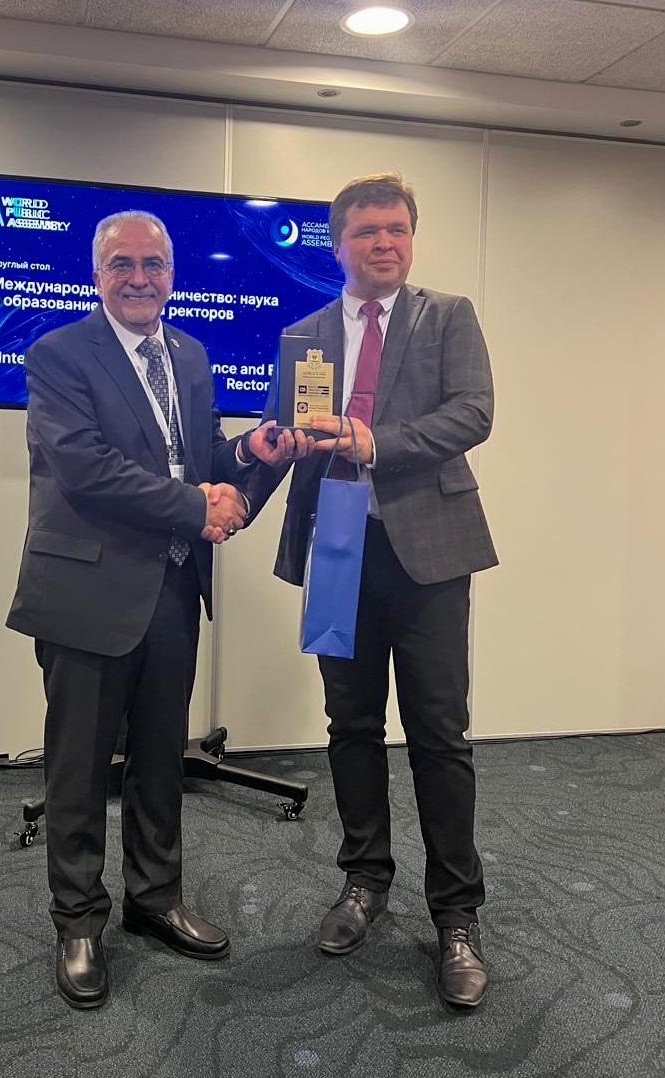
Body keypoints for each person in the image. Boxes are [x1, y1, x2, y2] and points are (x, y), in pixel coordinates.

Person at [6, 210, 298, 1010]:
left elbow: (195, 455)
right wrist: (196, 506)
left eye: (154, 264)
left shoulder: (190, 355)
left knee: (162, 758)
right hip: (85, 592)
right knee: (77, 768)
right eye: (122, 264)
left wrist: (247, 454)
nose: (140, 279)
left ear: (173, 274)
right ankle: (78, 923)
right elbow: (87, 469)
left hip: (172, 589)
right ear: (96, 274)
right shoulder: (58, 354)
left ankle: (154, 898)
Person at [244, 172, 498, 1008]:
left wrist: (374, 441)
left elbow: (473, 413)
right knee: (349, 725)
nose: (383, 243)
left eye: (396, 229)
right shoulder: (304, 334)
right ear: (337, 243)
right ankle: (363, 881)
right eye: (366, 231)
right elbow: (284, 437)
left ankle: (456, 915)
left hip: (429, 552)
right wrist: (235, 496)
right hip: (337, 549)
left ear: (410, 238)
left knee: (439, 734)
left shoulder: (447, 316)